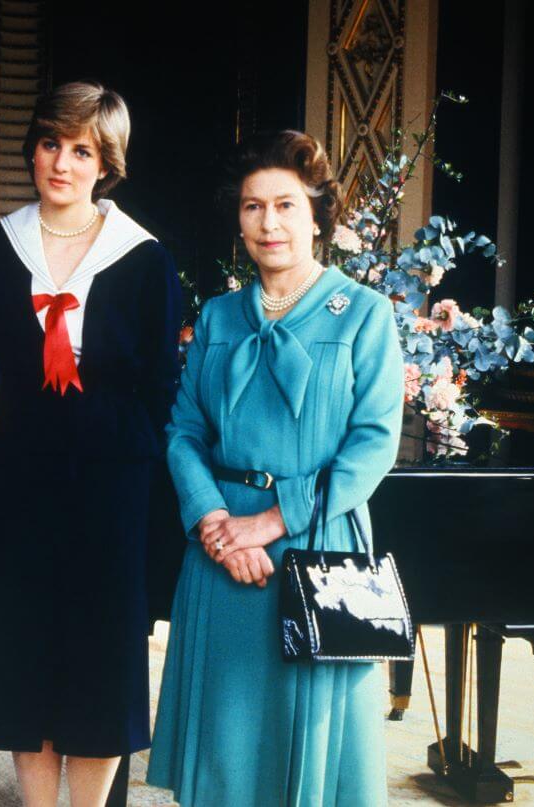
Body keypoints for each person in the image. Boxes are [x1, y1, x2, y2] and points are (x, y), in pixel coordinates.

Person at [146, 130, 403, 806]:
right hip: (222, 551)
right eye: (253, 206)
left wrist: (269, 521)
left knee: (309, 756)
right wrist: (212, 519)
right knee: (226, 749)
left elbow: (374, 443)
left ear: (318, 215)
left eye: (286, 205)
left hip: (314, 549)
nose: (269, 223)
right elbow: (183, 431)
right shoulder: (219, 315)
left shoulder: (366, 315)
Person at [0, 81, 182, 807]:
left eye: (82, 149)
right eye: (52, 143)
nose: (62, 162)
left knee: (99, 658)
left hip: (113, 486)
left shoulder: (144, 259)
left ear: (105, 161)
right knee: (24, 650)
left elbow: (161, 390)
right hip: (22, 477)